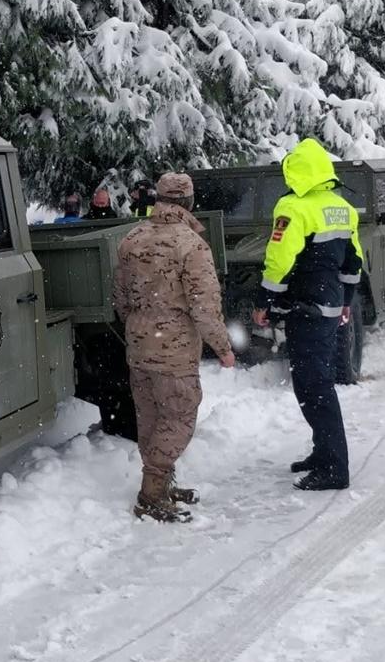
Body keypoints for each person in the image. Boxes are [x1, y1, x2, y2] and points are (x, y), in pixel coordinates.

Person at [113, 173, 235, 523]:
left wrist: (140, 324)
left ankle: (161, 482)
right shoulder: (191, 245)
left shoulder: (132, 239)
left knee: (150, 415)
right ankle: (151, 494)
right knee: (180, 415)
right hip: (175, 347)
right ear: (189, 203)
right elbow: (204, 307)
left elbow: (119, 299)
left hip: (138, 345)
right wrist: (223, 347)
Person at [251, 138, 363, 492]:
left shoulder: (293, 207)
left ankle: (334, 467)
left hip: (306, 309)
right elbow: (353, 260)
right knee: (315, 383)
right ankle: (323, 451)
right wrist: (346, 299)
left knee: (315, 387)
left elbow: (280, 259)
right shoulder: (342, 207)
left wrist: (265, 300)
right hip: (327, 306)